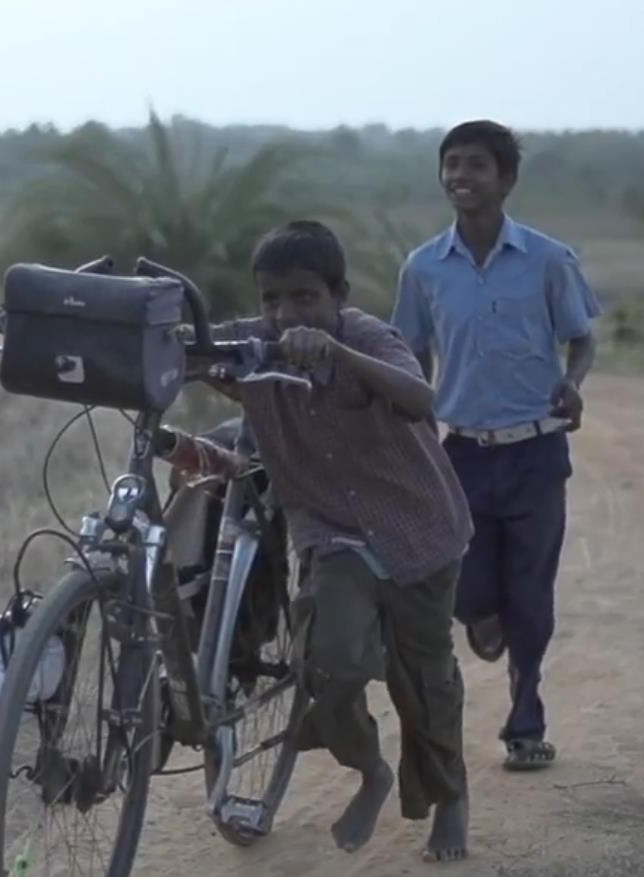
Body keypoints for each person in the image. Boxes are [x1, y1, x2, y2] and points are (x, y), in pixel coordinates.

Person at [172, 219, 475, 863]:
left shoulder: (365, 336)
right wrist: (180, 351)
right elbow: (193, 351)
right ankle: (371, 770)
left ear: (339, 295)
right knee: (329, 664)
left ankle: (450, 802)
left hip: (417, 529)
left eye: (305, 297)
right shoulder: (255, 343)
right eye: (271, 300)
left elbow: (420, 396)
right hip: (332, 534)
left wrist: (336, 354)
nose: (286, 314)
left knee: (424, 681)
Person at [390, 119, 601, 772]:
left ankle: (525, 718)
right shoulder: (423, 267)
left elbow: (581, 336)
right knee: (463, 586)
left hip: (535, 453)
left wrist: (571, 384)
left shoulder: (547, 259)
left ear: (505, 179)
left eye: (476, 165)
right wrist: (403, 419)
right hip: (459, 455)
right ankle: (485, 618)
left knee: (530, 595)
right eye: (451, 164)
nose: (461, 175)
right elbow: (407, 350)